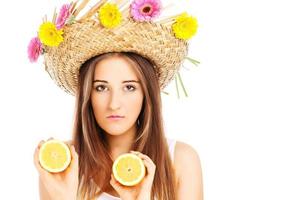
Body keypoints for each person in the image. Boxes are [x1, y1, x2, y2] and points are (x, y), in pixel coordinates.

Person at [29, 0, 203, 199]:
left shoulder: (181, 161)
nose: (114, 104)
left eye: (129, 87)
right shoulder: (60, 164)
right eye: (101, 88)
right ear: (87, 95)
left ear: (147, 94)